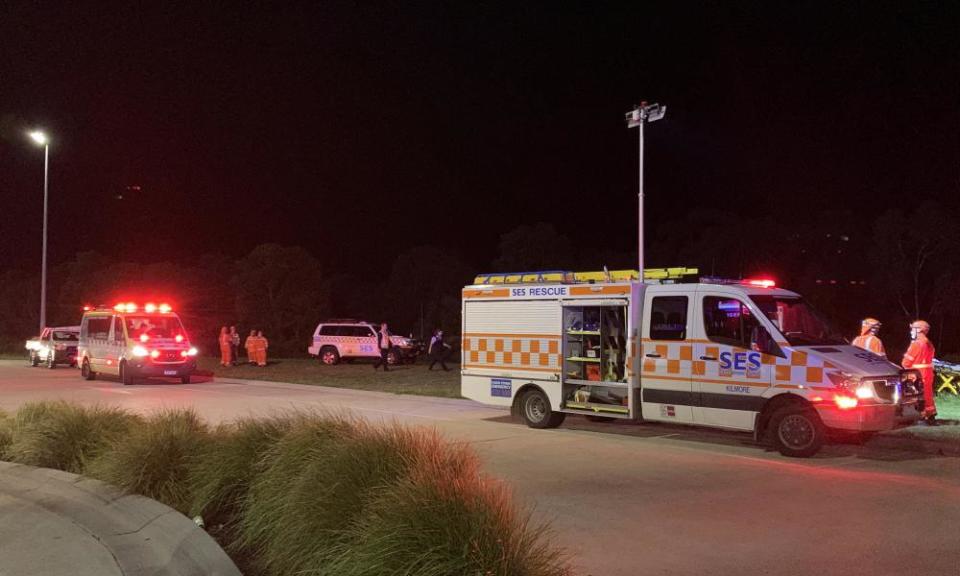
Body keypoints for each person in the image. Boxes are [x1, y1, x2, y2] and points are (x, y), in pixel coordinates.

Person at [902, 320, 937, 424]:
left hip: (917, 374)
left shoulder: (916, 344)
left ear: (919, 330)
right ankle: (930, 416)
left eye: (913, 329)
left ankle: (920, 417)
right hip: (928, 373)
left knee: (917, 396)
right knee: (928, 395)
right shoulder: (929, 343)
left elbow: (906, 362)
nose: (911, 331)